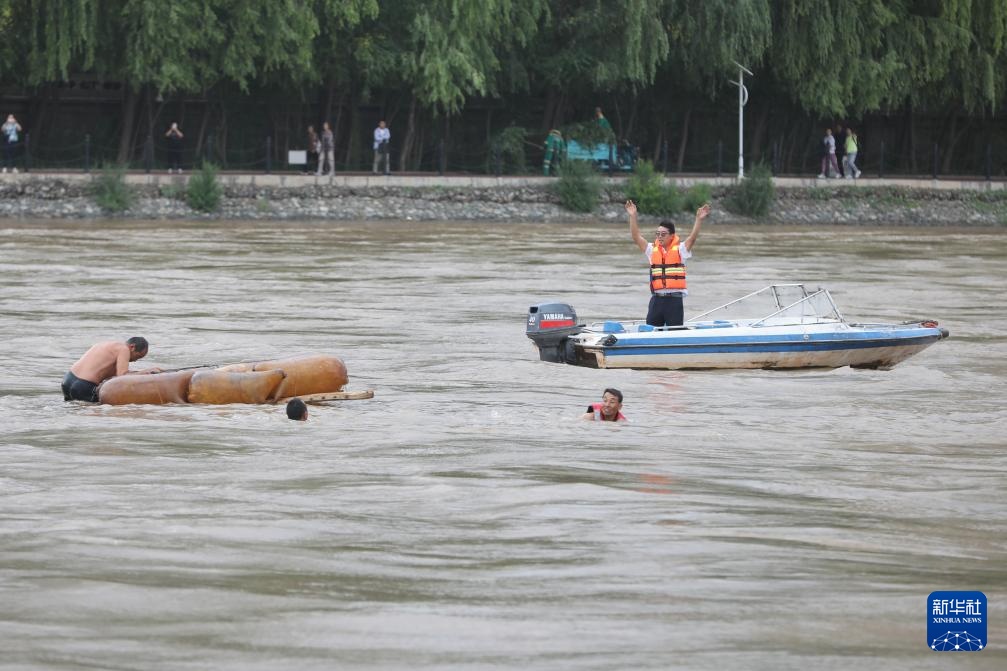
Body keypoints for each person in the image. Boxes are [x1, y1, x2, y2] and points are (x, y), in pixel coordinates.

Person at [625, 199, 711, 328]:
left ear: (672, 236)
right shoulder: (651, 250)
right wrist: (633, 216)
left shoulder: (681, 250)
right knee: (651, 332)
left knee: (674, 332)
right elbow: (636, 237)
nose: (660, 237)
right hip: (656, 300)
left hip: (674, 301)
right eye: (658, 234)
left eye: (663, 234)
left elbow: (692, 238)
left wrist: (699, 219)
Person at [62, 337, 161, 402]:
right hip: (83, 386)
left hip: (68, 380)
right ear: (132, 347)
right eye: (138, 356)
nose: (135, 361)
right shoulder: (124, 349)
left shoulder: (107, 346)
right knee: (99, 413)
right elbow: (122, 376)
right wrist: (147, 372)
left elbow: (111, 374)